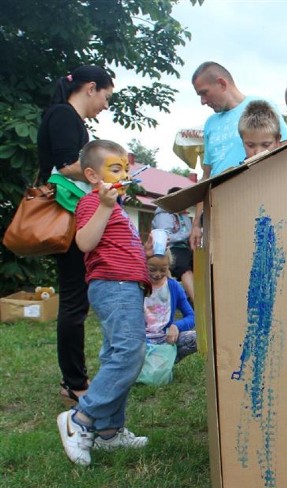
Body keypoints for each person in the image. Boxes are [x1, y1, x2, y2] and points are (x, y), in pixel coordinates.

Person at [57, 140, 151, 467]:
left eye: (125, 168)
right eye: (115, 168)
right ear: (92, 175)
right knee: (130, 352)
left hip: (126, 286)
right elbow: (84, 242)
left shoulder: (116, 207)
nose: (123, 173)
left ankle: (109, 432)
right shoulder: (91, 202)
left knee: (116, 354)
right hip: (113, 285)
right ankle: (81, 419)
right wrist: (105, 207)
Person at [37, 65, 115, 405]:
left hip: (73, 217)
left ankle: (73, 377)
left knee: (75, 298)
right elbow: (66, 163)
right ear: (91, 88)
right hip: (66, 218)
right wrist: (107, 165)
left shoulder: (71, 119)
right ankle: (74, 383)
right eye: (106, 97)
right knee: (73, 301)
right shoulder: (63, 115)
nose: (105, 105)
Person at [189, 62, 287, 249]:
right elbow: (206, 177)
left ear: (221, 83)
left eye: (204, 93)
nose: (203, 101)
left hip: (255, 206)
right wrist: (197, 223)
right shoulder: (210, 124)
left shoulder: (260, 107)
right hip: (218, 213)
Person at [144, 251, 196, 363]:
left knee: (196, 338)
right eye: (152, 269)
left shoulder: (174, 287)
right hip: (141, 342)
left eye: (163, 270)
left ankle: (167, 360)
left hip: (166, 340)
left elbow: (192, 316)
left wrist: (176, 326)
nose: (157, 274)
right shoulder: (138, 286)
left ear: (168, 267)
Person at [151, 187, 194, 303]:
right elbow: (165, 237)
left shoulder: (184, 216)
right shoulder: (163, 215)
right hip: (171, 248)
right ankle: (198, 303)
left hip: (185, 248)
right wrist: (187, 234)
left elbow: (190, 234)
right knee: (185, 268)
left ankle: (192, 298)